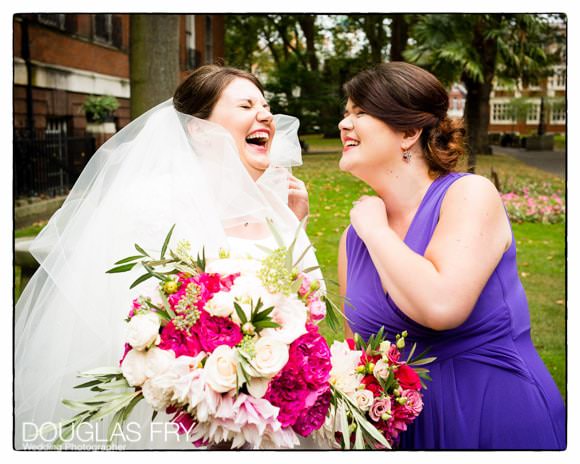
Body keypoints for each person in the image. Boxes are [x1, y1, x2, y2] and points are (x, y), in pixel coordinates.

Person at [14, 65, 322, 450]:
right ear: (198, 128)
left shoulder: (282, 206)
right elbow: (124, 321)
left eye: (265, 105)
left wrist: (295, 225)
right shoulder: (152, 204)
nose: (265, 114)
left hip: (272, 417)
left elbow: (309, 308)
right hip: (176, 420)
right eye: (246, 105)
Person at [337, 62, 565, 450]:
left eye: (360, 112)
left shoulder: (469, 194)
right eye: (345, 113)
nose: (344, 123)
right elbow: (357, 359)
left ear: (409, 132)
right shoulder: (352, 239)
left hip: (492, 419)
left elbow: (442, 306)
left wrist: (376, 232)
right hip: (405, 435)